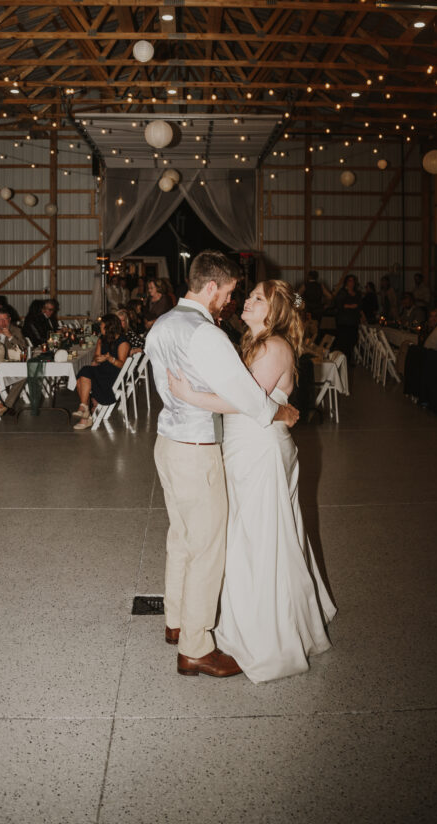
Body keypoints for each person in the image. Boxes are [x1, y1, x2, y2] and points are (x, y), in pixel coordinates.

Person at [168, 278, 336, 683]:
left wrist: (189, 396)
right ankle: (245, 622)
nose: (245, 301)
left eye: (256, 298)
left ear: (274, 311)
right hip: (246, 447)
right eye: (248, 296)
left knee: (258, 540)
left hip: (260, 451)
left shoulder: (274, 347)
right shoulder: (252, 343)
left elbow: (246, 402)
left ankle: (265, 637)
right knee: (246, 536)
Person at [145, 250, 299, 679]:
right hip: (196, 449)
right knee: (208, 548)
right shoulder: (205, 332)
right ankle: (196, 647)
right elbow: (251, 400)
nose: (230, 301)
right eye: (229, 292)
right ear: (211, 287)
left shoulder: (162, 324)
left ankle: (175, 621)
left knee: (182, 537)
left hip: (167, 442)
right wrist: (281, 411)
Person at [72, 313, 130, 430]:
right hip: (102, 370)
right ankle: (84, 409)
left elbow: (121, 364)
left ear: (109, 327)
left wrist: (109, 358)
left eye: (102, 325)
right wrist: (97, 359)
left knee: (84, 374)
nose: (100, 328)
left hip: (115, 374)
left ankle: (85, 413)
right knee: (83, 375)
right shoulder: (101, 339)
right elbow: (96, 357)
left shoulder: (123, 342)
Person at [334, 274, 361, 360]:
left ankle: (349, 358)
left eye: (353, 281)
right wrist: (350, 306)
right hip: (343, 321)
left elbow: (359, 305)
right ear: (346, 282)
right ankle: (342, 359)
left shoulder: (357, 293)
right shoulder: (342, 292)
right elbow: (339, 305)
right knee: (343, 341)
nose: (351, 283)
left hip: (353, 321)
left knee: (353, 340)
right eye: (349, 281)